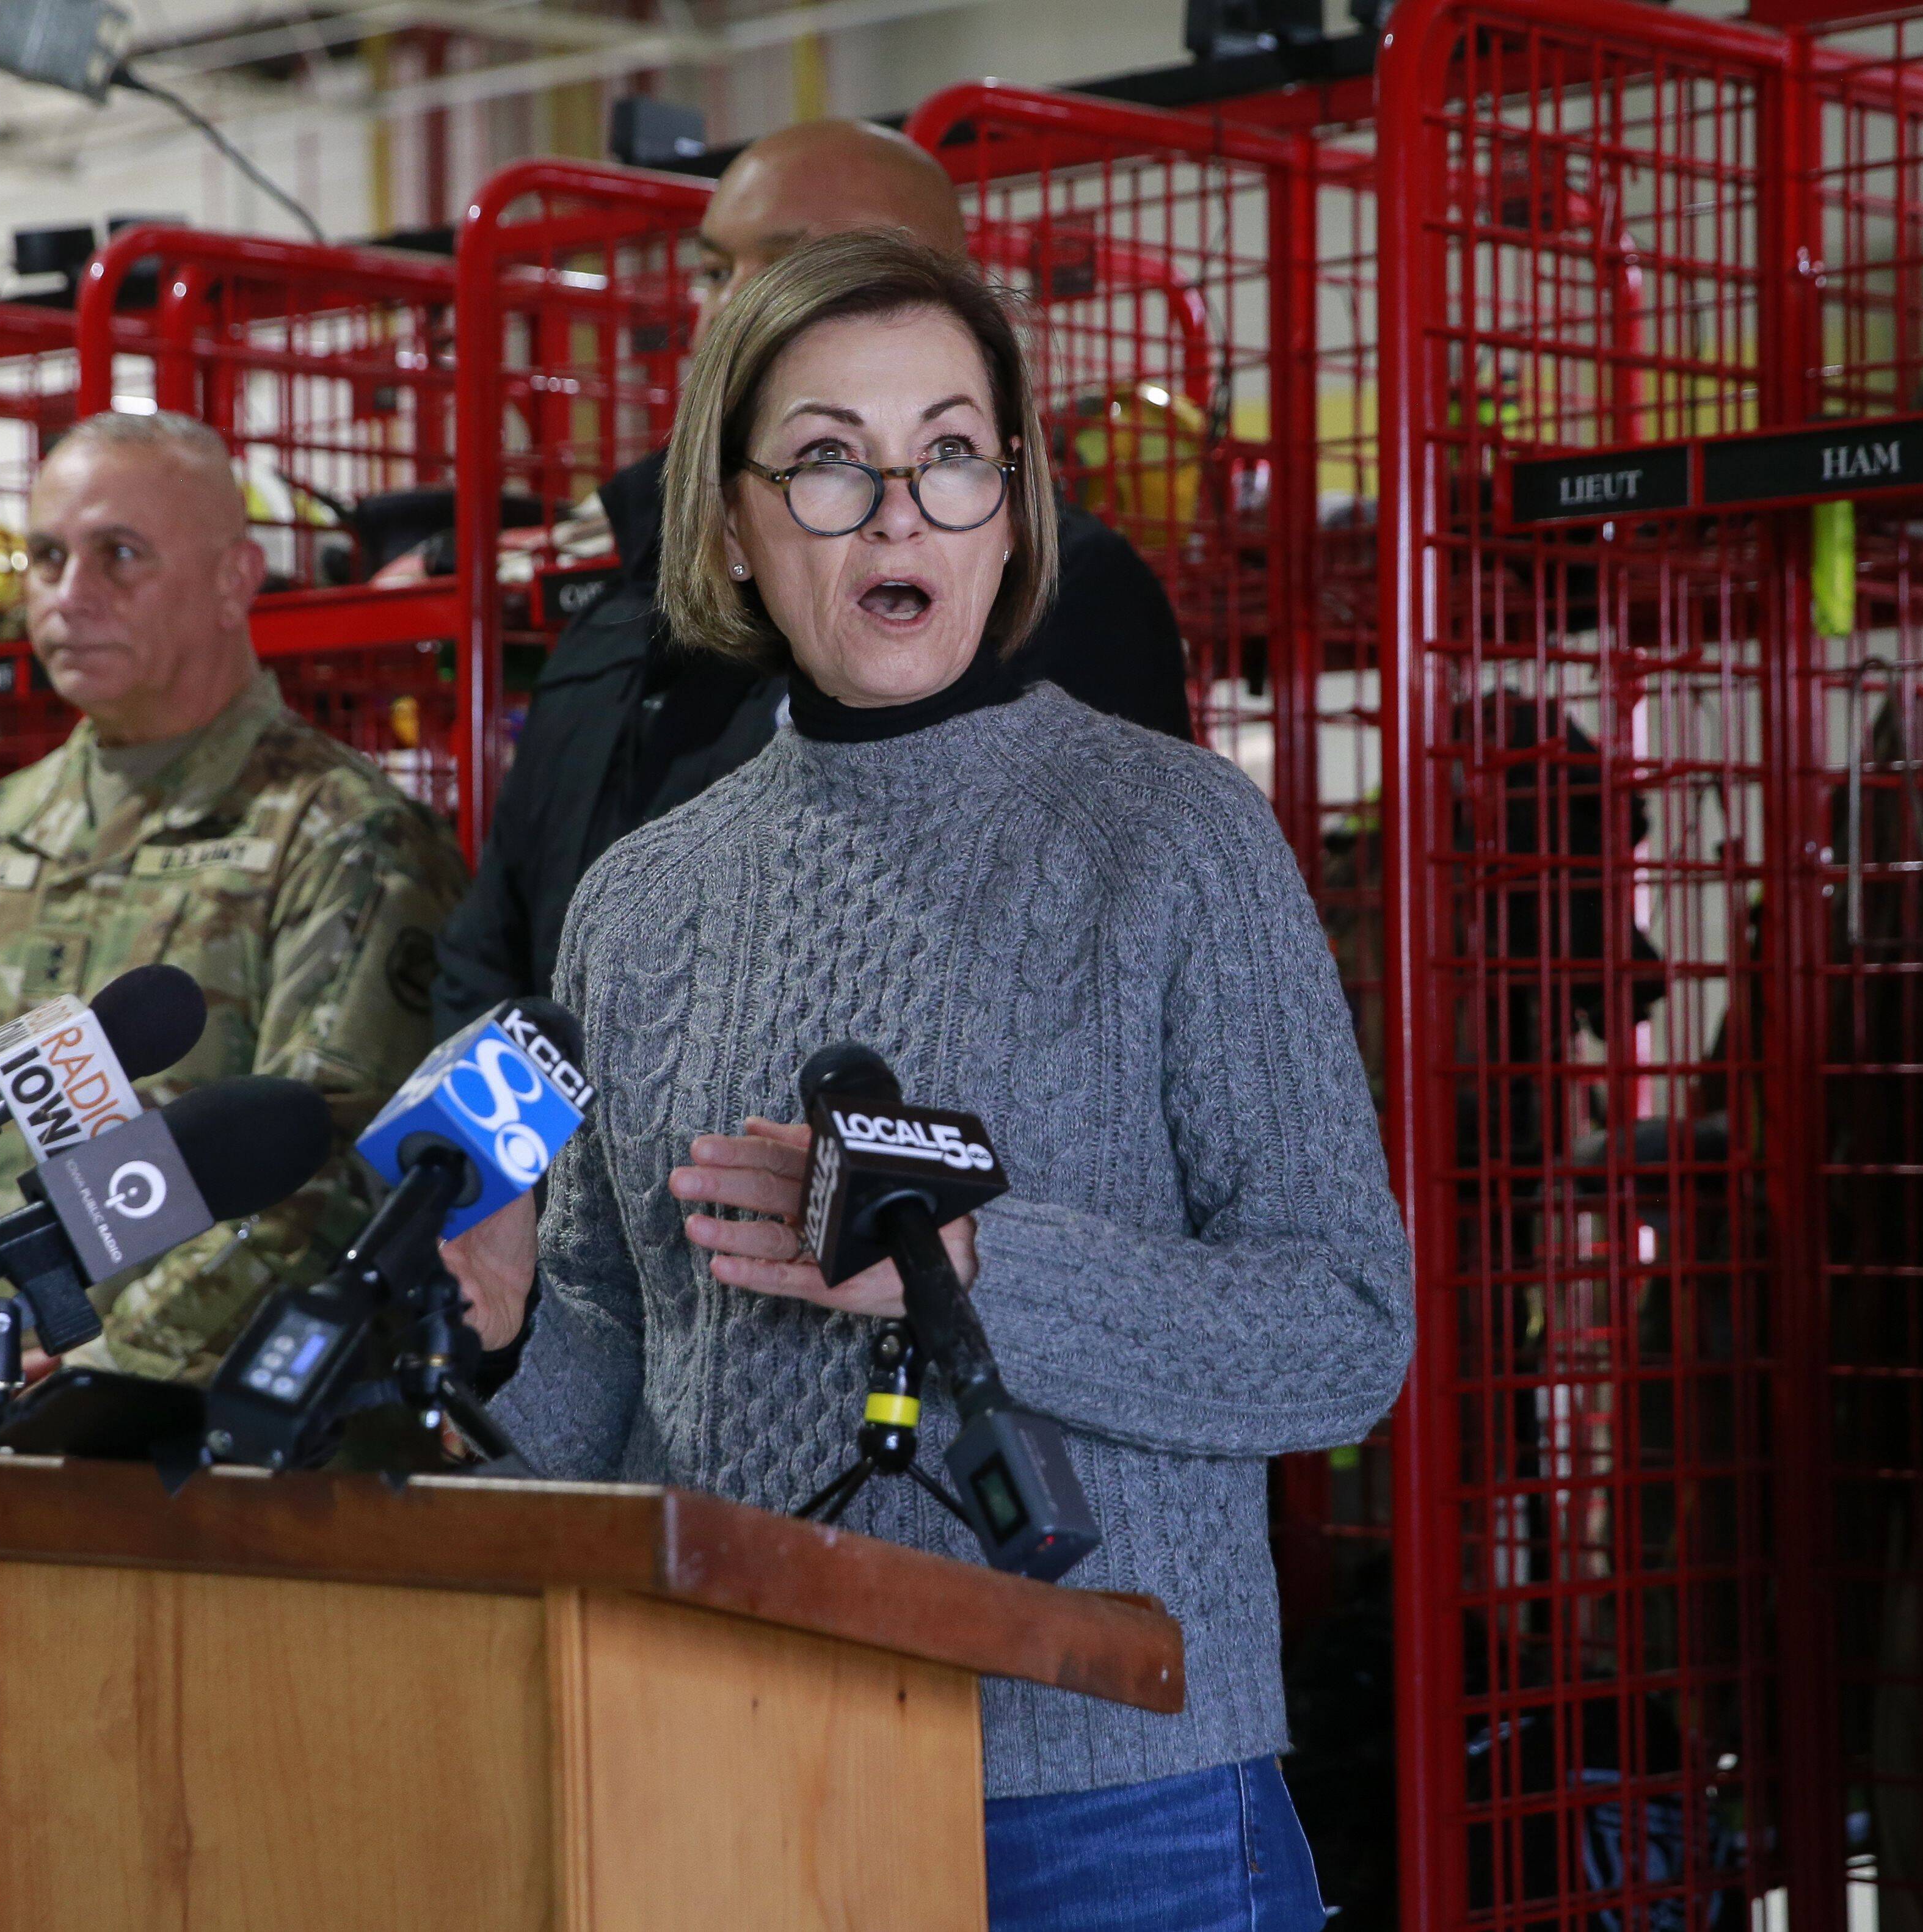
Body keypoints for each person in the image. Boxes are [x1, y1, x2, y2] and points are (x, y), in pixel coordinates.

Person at [456, 231, 1411, 1928]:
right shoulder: (639, 901)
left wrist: (964, 1267)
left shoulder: (1173, 837)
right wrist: (508, 1325)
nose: (898, 509)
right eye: (826, 462)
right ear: (733, 528)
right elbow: (607, 1400)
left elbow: (1341, 1332)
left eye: (950, 453)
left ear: (1012, 502)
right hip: (740, 1765)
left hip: (1113, 1794)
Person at [431, 117, 1193, 1034]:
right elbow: (497, 947)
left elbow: (1076, 993)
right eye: (715, 270)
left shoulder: (1066, 596)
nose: (730, 305)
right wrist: (503, 1166)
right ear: (732, 533)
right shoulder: (622, 605)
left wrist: (855, 1163)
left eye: (793, 264)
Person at [0, 410, 466, 1408]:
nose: (70, 596)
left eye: (119, 555)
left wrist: (85, 1389)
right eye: (43, 556)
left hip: (205, 1467)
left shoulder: (340, 837)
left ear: (234, 581)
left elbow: (329, 1178)